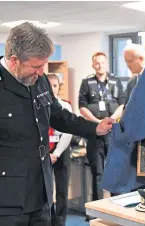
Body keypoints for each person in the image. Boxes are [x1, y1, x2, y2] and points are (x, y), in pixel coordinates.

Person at [0, 22, 113, 226]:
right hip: (7, 202)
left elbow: (57, 115)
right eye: (36, 66)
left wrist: (94, 128)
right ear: (14, 60)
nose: (42, 72)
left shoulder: (39, 79)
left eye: (44, 65)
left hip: (41, 193)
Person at [78, 52, 126, 202]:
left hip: (112, 131)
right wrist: (97, 123)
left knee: (115, 169)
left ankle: (118, 205)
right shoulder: (86, 83)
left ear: (106, 64)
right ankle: (97, 208)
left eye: (102, 63)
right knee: (97, 172)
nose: (100, 66)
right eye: (97, 63)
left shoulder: (115, 81)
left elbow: (122, 104)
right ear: (93, 65)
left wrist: (111, 119)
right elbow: (82, 107)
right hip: (95, 132)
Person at [47, 74, 72, 226]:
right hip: (44, 151)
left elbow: (68, 132)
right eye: (49, 85)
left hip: (61, 151)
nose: (52, 88)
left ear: (59, 87)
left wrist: (56, 153)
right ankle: (48, 219)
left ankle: (60, 221)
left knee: (62, 188)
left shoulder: (65, 106)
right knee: (46, 188)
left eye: (55, 85)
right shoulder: (39, 105)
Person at [111, 43, 145, 120]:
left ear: (141, 59)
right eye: (126, 62)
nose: (128, 65)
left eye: (130, 61)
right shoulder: (131, 82)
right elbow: (126, 107)